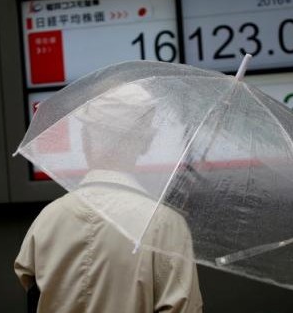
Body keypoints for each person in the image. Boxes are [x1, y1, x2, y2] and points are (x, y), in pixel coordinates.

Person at [14, 83, 203, 313]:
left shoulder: (47, 220)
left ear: (85, 141)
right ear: (143, 144)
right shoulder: (166, 225)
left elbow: (32, 290)